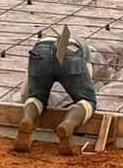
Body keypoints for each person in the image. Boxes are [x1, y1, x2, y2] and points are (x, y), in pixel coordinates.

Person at [11, 25, 97, 156]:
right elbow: (86, 86)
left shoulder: (40, 42)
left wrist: (31, 98)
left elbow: (24, 93)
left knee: (36, 97)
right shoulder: (85, 49)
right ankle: (68, 124)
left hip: (40, 54)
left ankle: (28, 119)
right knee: (87, 100)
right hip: (71, 55)